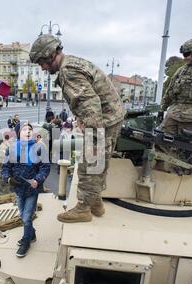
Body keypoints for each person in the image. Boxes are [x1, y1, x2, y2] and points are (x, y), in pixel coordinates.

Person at [30, 34, 126, 223]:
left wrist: (94, 141)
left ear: (51, 54)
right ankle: (95, 202)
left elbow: (91, 108)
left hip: (102, 120)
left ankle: (83, 208)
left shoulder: (68, 71)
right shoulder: (73, 63)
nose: (42, 67)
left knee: (88, 163)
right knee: (99, 163)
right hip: (111, 117)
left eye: (42, 62)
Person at [2, 122, 50, 257]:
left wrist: (37, 180)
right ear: (18, 133)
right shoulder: (11, 150)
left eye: (30, 129)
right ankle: (32, 235)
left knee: (27, 217)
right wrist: (9, 179)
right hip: (18, 189)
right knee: (23, 215)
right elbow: (5, 168)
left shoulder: (39, 149)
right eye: (24, 129)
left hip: (32, 189)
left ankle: (26, 242)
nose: (28, 131)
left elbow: (45, 167)